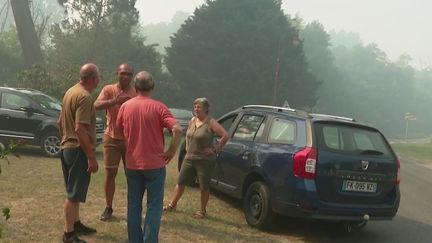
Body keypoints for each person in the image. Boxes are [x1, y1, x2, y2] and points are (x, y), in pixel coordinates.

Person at [117, 71, 181, 243]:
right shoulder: (159, 107)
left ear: (135, 87)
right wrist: (171, 151)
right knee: (154, 206)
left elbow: (119, 134)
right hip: (154, 165)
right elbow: (177, 129)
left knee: (134, 205)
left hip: (132, 164)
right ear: (152, 87)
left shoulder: (125, 107)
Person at [164, 97, 228, 218]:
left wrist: (214, 149)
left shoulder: (210, 122)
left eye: (199, 107)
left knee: (203, 186)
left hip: (204, 160)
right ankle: (172, 204)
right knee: (180, 182)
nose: (196, 109)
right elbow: (188, 135)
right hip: (189, 158)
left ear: (205, 109)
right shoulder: (193, 120)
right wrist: (188, 147)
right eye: (195, 107)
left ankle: (202, 210)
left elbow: (225, 135)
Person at [59, 63, 100, 243]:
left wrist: (65, 140)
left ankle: (76, 224)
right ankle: (68, 235)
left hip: (67, 148)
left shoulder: (70, 92)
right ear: (93, 78)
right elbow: (80, 129)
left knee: (74, 192)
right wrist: (91, 157)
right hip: (77, 150)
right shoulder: (84, 97)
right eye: (98, 76)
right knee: (73, 194)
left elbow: (60, 121)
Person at [94, 63, 136, 221]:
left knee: (132, 175)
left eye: (129, 74)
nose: (126, 76)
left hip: (130, 140)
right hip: (111, 137)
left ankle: (133, 208)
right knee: (110, 173)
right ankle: (108, 207)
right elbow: (96, 105)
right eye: (123, 73)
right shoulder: (108, 89)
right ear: (117, 73)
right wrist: (113, 101)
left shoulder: (136, 91)